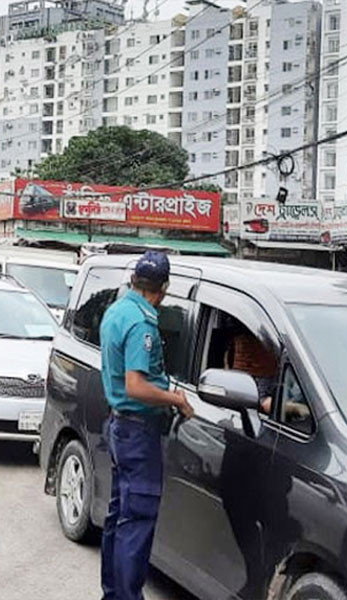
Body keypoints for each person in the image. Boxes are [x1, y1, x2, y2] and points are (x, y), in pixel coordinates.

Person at [98, 251, 194, 600]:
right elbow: (136, 385)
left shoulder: (116, 310)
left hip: (119, 425)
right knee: (136, 524)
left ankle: (112, 593)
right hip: (137, 431)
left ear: (135, 279)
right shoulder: (142, 323)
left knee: (120, 517)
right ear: (164, 288)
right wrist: (177, 400)